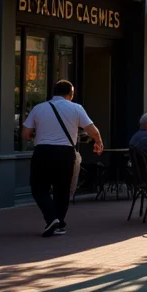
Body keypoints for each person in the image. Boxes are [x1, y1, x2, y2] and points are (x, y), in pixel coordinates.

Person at [22, 80, 103, 237]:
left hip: (42, 151)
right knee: (62, 189)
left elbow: (25, 134)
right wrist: (98, 143)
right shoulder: (76, 108)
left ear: (53, 93)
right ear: (70, 94)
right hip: (65, 153)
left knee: (39, 188)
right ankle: (58, 221)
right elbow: (93, 130)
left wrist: (37, 134)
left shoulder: (39, 108)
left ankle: (51, 218)